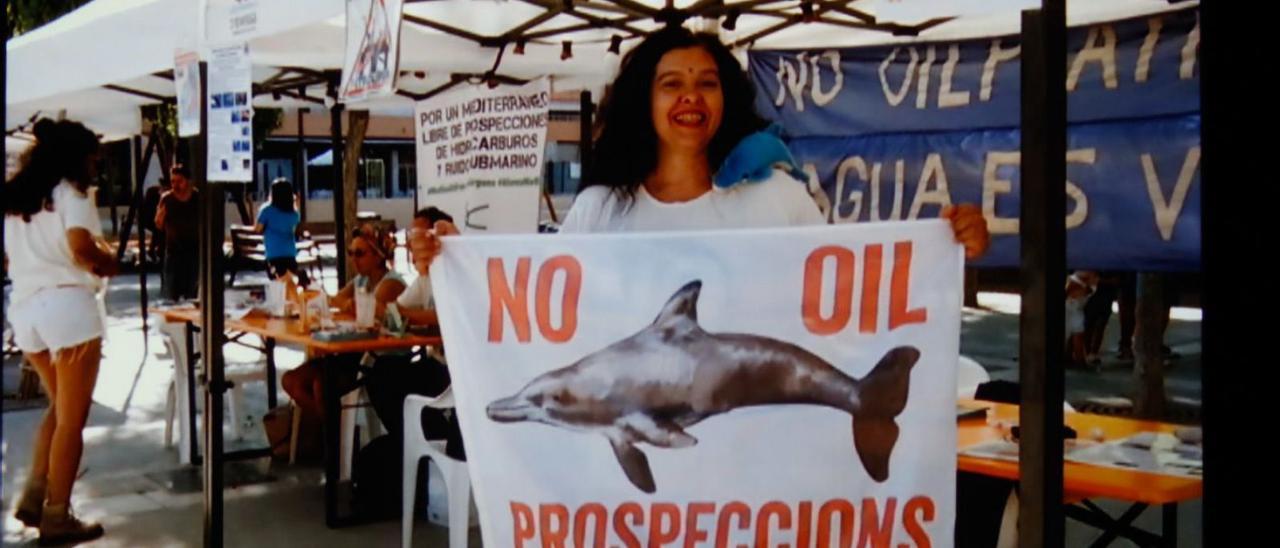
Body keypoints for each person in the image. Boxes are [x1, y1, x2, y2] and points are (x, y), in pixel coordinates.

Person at [413, 27, 988, 264]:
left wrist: (945, 249)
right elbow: (544, 307)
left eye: (706, 82)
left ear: (726, 100)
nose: (691, 97)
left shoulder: (779, 198)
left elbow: (846, 294)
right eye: (672, 84)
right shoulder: (599, 210)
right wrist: (457, 260)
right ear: (646, 103)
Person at [4, 118, 118, 544]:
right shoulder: (72, 193)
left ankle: (35, 494)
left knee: (58, 410)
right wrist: (109, 262)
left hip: (26, 311)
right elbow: (81, 250)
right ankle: (57, 513)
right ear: (76, 157)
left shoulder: (18, 200)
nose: (96, 168)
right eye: (93, 159)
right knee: (72, 421)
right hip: (69, 310)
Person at [364, 207, 464, 460]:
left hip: (455, 373)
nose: (412, 244)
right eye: (411, 237)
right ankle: (407, 438)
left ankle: (418, 438)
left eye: (418, 236)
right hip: (435, 362)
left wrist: (403, 315)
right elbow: (398, 310)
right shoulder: (425, 279)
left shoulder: (459, 274)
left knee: (392, 378)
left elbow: (442, 318)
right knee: (381, 372)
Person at [281, 223, 406, 425]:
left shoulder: (391, 284)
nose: (353, 259)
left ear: (378, 256)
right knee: (291, 380)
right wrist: (344, 303)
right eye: (350, 252)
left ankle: (332, 443)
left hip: (377, 359)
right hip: (353, 350)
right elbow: (334, 300)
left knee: (321, 385)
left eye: (360, 253)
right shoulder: (361, 280)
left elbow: (362, 309)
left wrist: (345, 304)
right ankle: (329, 434)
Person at [155, 164, 200, 301]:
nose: (175, 185)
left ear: (188, 181)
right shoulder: (167, 199)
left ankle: (190, 322)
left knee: (191, 294)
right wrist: (160, 217)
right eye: (173, 181)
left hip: (194, 251)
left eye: (179, 181)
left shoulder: (197, 197)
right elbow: (158, 224)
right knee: (171, 293)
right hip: (174, 252)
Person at [255, 178, 309, 287]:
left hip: (273, 254)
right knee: (288, 284)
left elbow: (257, 229)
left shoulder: (267, 210)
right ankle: (299, 276)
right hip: (290, 253)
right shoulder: (294, 214)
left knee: (278, 283)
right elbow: (293, 230)